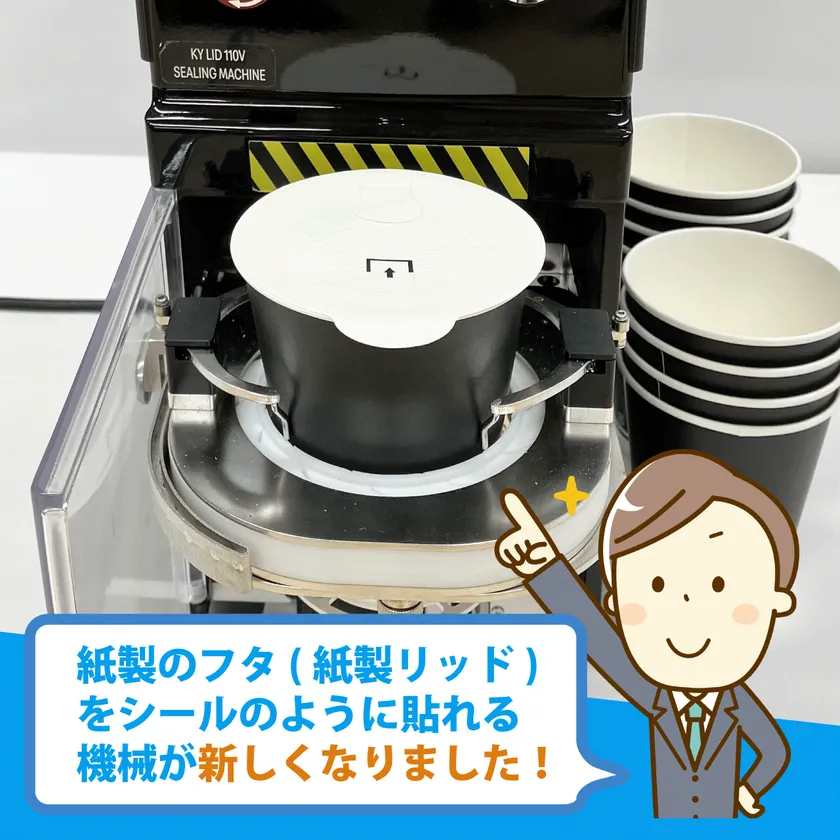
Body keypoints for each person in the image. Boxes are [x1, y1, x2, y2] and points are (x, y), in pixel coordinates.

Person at [495, 450, 796, 819]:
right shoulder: (655, 692)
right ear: (617, 603)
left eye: (719, 584)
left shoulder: (737, 702)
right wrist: (545, 567)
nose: (687, 605)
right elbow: (599, 641)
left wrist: (749, 789)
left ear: (775, 601)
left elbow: (774, 750)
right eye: (658, 585)